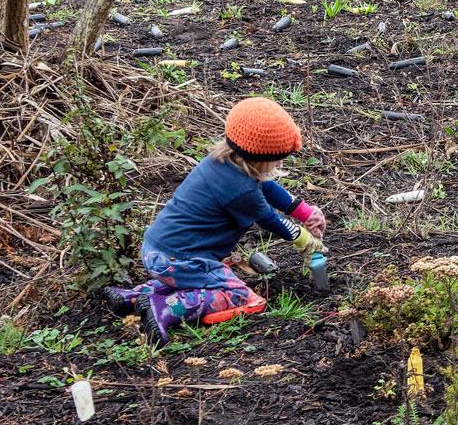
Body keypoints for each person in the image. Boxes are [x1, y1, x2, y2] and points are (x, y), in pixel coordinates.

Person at [107, 98, 325, 342]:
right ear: (262, 156)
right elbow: (269, 219)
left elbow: (267, 187)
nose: (280, 163)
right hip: (180, 261)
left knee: (196, 280)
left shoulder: (222, 164)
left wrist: (303, 211)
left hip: (157, 252)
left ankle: (135, 297)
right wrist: (305, 240)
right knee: (240, 296)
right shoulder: (242, 190)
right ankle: (168, 307)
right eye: (278, 158)